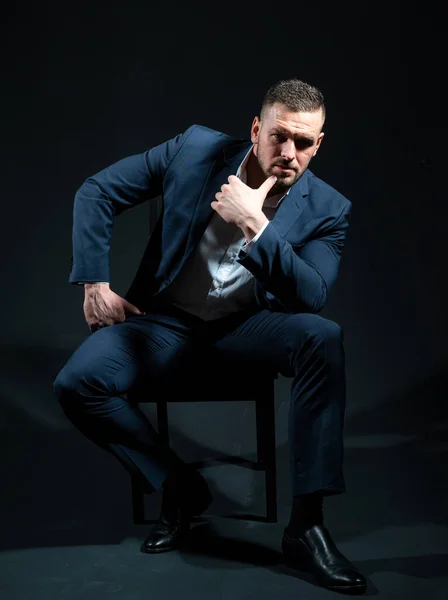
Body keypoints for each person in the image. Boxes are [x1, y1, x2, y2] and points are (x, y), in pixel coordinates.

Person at [53, 77, 367, 594]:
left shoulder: (328, 207)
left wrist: (255, 227)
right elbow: (98, 190)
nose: (289, 153)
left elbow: (310, 295)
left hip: (247, 330)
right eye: (278, 137)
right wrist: (94, 281)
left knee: (321, 335)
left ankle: (306, 526)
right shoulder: (195, 150)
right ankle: (179, 489)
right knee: (76, 383)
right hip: (166, 322)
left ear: (319, 143)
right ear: (255, 129)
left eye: (304, 142)